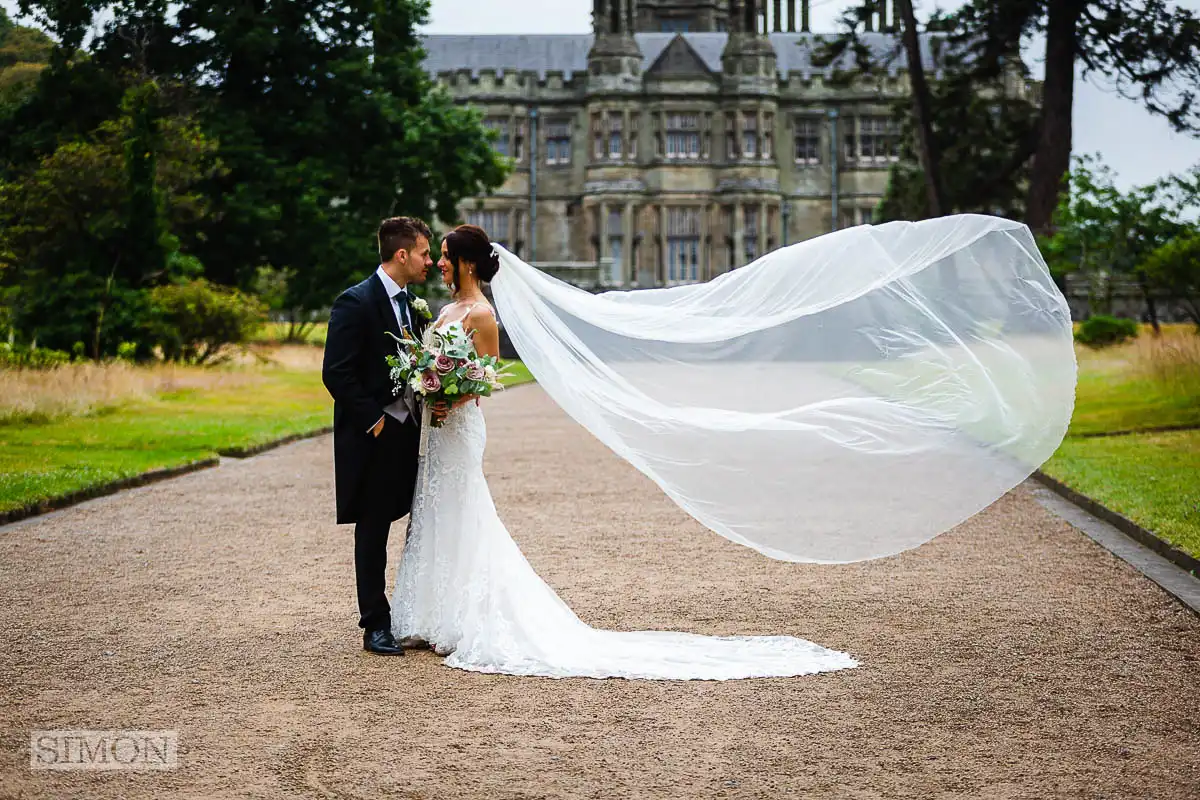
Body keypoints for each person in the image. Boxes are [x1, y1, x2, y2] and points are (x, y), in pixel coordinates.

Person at [390, 224, 859, 679]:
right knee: (435, 509)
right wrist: (428, 385)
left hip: (461, 424)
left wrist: (454, 394)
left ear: (468, 262)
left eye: (448, 257)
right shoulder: (443, 312)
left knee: (463, 507)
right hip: (438, 428)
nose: (441, 265)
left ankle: (460, 617)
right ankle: (430, 616)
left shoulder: (482, 315)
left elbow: (486, 377)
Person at [322, 216, 433, 656]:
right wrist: (377, 420)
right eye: (425, 253)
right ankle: (375, 624)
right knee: (372, 530)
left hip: (408, 435)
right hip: (373, 438)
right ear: (401, 254)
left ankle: (413, 613)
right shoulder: (355, 302)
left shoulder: (413, 305)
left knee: (411, 521)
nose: (429, 261)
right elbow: (337, 372)